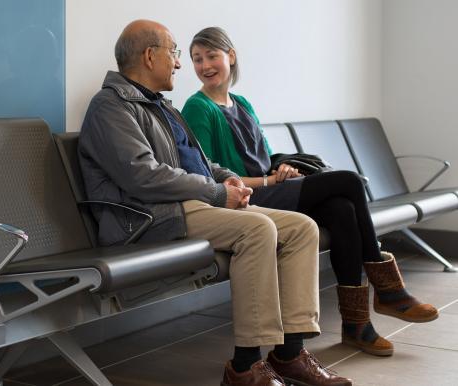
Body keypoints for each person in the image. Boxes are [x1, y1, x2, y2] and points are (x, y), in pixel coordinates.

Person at [78, 19, 352, 386]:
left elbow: (199, 162)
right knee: (258, 229)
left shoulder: (162, 108)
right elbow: (143, 176)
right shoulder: (110, 107)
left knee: (302, 228)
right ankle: (244, 368)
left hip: (186, 206)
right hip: (147, 217)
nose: (178, 63)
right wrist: (218, 193)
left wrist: (225, 177)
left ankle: (289, 354)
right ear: (149, 56)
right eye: (175, 53)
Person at [181, 26, 439, 358]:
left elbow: (263, 158)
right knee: (350, 182)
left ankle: (356, 325)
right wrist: (271, 181)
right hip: (246, 200)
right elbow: (210, 173)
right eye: (196, 59)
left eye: (211, 56)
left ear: (230, 56)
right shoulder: (198, 108)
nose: (205, 66)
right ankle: (388, 289)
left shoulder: (242, 103)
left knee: (342, 210)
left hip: (270, 188)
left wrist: (281, 170)